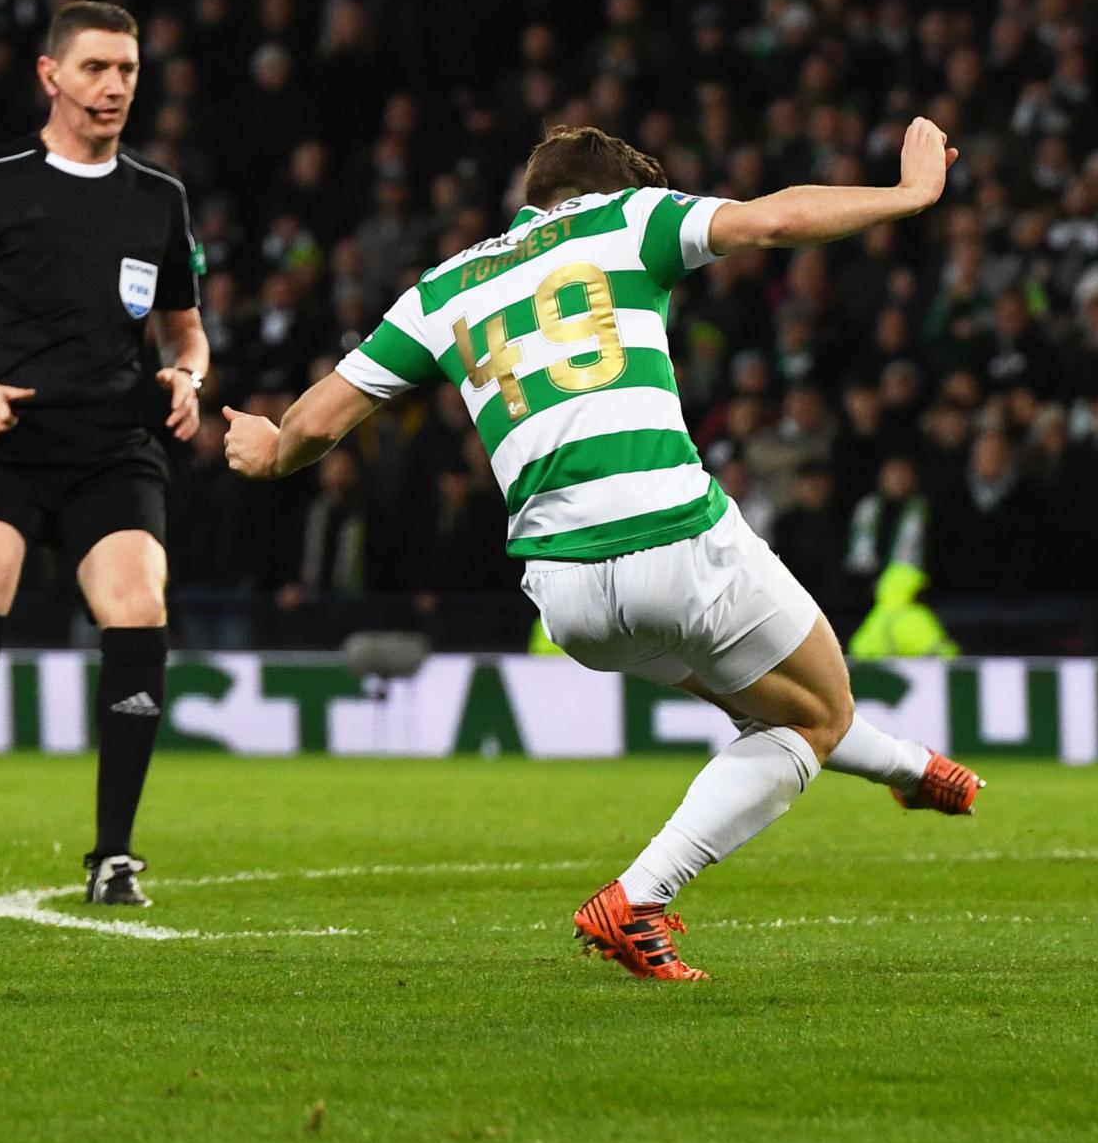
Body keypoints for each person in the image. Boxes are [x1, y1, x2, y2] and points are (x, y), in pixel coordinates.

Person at [221, 119, 983, 981]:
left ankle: (918, 770)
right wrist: (909, 195)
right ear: (606, 185)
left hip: (565, 597)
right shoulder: (624, 218)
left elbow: (311, 427)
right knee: (817, 714)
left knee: (771, 711)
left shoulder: (439, 290)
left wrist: (266, 449)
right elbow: (771, 221)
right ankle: (641, 896)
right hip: (671, 535)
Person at [0, 3, 208, 908]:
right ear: (50, 76)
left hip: (109, 446)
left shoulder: (159, 198)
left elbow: (185, 330)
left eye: (128, 70)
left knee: (139, 600)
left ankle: (113, 856)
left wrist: (190, 378)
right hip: (1, 437)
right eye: (97, 68)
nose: (116, 87)